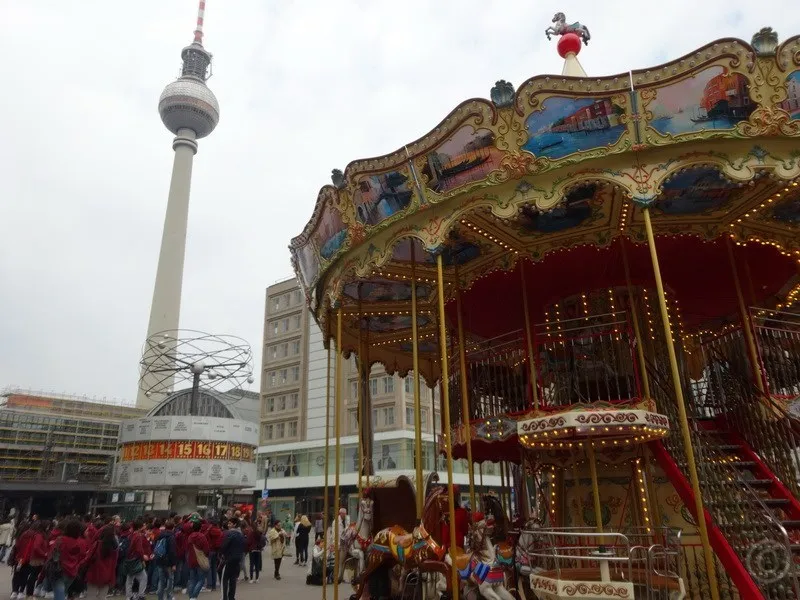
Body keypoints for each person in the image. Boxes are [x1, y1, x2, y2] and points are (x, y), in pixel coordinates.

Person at [48, 518, 85, 600]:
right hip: (72, 572)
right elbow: (81, 557)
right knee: (62, 594)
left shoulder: (60, 540)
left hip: (59, 571)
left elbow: (53, 556)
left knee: (59, 596)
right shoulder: (79, 543)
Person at [11, 520, 48, 599]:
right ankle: (21, 592)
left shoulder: (24, 533)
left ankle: (14, 592)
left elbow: (17, 545)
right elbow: (35, 547)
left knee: (17, 574)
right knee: (25, 575)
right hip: (29, 558)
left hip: (20, 557)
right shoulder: (36, 535)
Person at [82, 524, 119, 600]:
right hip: (108, 574)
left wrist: (80, 565)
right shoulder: (115, 548)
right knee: (102, 597)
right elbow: (115, 562)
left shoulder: (97, 544)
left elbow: (88, 558)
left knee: (91, 596)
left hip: (94, 573)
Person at [219, 519, 246, 600]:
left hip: (229, 559)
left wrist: (222, 553)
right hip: (237, 559)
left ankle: (224, 597)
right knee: (233, 579)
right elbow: (244, 546)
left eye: (230, 523)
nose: (228, 525)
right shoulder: (241, 534)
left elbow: (224, 546)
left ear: (234, 524)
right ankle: (231, 597)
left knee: (224, 579)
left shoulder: (229, 534)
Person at [124, 519, 151, 600]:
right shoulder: (138, 536)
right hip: (136, 560)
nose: (144, 526)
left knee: (130, 578)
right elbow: (139, 549)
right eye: (143, 525)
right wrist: (143, 557)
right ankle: (141, 595)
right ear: (139, 527)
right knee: (144, 577)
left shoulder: (130, 535)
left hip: (129, 559)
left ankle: (129, 596)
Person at [153, 518, 178, 600]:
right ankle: (169, 596)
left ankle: (160, 597)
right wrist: (174, 564)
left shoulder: (160, 535)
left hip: (159, 559)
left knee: (161, 580)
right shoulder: (171, 537)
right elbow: (172, 552)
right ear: (173, 527)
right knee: (170, 580)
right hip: (168, 562)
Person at [186, 520, 210, 600]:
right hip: (200, 560)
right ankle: (194, 596)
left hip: (191, 559)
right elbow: (206, 549)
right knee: (201, 580)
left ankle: (191, 597)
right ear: (200, 528)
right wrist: (206, 555)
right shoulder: (202, 536)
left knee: (192, 580)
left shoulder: (190, 536)